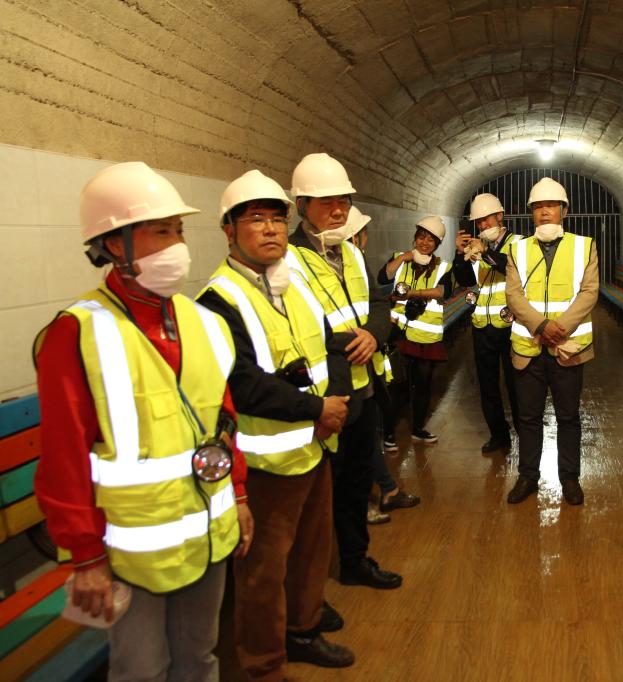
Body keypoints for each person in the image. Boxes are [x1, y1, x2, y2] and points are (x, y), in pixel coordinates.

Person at [34, 161, 253, 681]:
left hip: (208, 531)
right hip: (130, 551)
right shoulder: (78, 332)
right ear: (116, 244)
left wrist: (240, 496)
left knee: (200, 658)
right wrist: (85, 556)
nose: (177, 245)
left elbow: (223, 421)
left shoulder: (203, 322)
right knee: (142, 670)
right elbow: (64, 456)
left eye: (178, 230)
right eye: (161, 231)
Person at [197, 170, 354, 678]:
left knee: (311, 551)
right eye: (255, 219)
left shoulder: (293, 284)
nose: (270, 229)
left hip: (314, 446)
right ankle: (263, 664)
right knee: (263, 570)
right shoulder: (217, 301)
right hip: (264, 462)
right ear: (229, 230)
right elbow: (242, 382)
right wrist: (317, 410)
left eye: (277, 219)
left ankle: (303, 631)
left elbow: (331, 345)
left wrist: (335, 400)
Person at [287, 153, 405, 589]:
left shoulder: (351, 253)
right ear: (302, 206)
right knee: (320, 495)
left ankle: (355, 561)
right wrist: (352, 342)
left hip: (362, 389)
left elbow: (377, 303)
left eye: (343, 201)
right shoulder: (288, 259)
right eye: (326, 202)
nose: (338, 210)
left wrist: (374, 334)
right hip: (325, 396)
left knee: (356, 486)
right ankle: (312, 587)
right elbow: (298, 325)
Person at [504, 177, 599, 506]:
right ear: (531, 213)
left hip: (568, 347)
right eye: (538, 207)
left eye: (551, 206)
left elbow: (589, 291)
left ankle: (570, 479)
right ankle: (528, 476)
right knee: (528, 417)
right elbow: (513, 295)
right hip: (528, 349)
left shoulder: (584, 246)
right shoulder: (517, 249)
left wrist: (560, 327)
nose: (544, 212)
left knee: (568, 417)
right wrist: (542, 325)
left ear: (564, 211)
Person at [380, 216, 473, 442]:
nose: (424, 243)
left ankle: (417, 429)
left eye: (430, 240)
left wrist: (411, 293)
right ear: (415, 238)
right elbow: (383, 277)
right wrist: (403, 257)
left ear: (437, 244)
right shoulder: (400, 259)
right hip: (399, 333)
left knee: (423, 385)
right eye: (421, 237)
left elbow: (442, 291)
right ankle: (389, 433)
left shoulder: (443, 266)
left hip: (427, 336)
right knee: (397, 385)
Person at [452, 193, 522, 452]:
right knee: (488, 385)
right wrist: (460, 254)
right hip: (483, 325)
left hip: (512, 325)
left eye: (487, 219)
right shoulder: (476, 246)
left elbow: (512, 269)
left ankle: (525, 432)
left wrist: (487, 253)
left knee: (517, 383)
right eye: (479, 221)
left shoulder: (518, 243)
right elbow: (465, 280)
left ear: (500, 216)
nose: (483, 225)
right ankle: (499, 435)